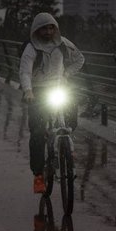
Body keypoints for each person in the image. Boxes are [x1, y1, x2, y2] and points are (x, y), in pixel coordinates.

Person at [20, 12, 85, 194]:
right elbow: (25, 71)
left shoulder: (63, 44)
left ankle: (66, 145)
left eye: (51, 27)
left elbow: (80, 59)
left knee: (71, 119)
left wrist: (66, 74)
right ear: (37, 30)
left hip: (59, 88)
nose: (48, 32)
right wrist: (28, 91)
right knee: (38, 132)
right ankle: (39, 175)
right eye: (44, 29)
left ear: (55, 28)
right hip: (38, 92)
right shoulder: (31, 48)